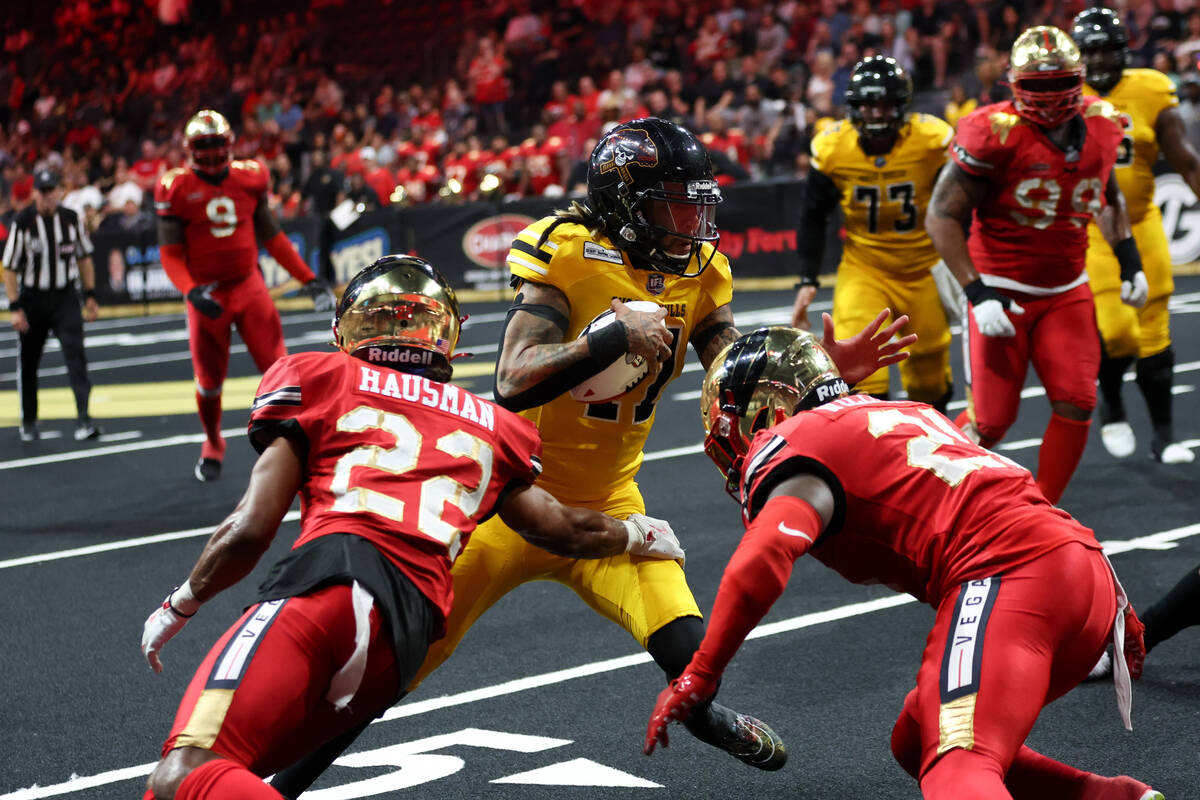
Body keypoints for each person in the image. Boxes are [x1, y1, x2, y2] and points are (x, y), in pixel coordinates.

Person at [268, 117, 914, 796]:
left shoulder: (703, 274)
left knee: (697, 664)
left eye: (696, 205)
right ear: (624, 204)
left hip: (611, 505)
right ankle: (278, 784)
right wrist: (607, 334)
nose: (690, 224)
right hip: (508, 507)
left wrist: (815, 375)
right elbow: (512, 381)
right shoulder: (569, 253)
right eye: (673, 205)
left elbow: (738, 379)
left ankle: (704, 718)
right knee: (386, 673)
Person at [138, 255, 685, 800]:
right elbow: (561, 528)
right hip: (405, 640)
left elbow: (249, 529)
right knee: (230, 776)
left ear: (349, 326)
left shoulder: (318, 376)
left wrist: (179, 603)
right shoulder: (492, 424)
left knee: (184, 774)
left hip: (331, 584)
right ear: (445, 334)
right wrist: (639, 535)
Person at [643, 326, 1161, 800]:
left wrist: (701, 675)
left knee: (958, 767)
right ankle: (1107, 797)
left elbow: (764, 557)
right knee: (916, 738)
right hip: (1085, 573)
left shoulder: (795, 444)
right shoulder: (910, 412)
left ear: (764, 414)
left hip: (1009, 575)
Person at [924, 26, 1147, 505]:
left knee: (1078, 398)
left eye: (1058, 83)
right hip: (1001, 289)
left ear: (1080, 79)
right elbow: (941, 214)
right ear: (1014, 84)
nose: (1047, 96)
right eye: (1037, 85)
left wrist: (1130, 262)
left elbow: (1106, 191)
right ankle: (930, 487)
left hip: (1067, 287)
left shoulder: (1105, 123)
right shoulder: (992, 132)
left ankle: (1043, 509)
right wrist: (977, 292)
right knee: (992, 420)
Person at [155, 109, 337, 483]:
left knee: (280, 370)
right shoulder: (174, 187)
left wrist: (307, 277)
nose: (209, 151)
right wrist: (190, 291)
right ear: (190, 148)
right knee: (208, 381)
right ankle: (211, 442)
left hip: (248, 285)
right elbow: (170, 253)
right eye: (202, 144)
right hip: (208, 293)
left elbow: (271, 235)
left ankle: (298, 440)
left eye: (215, 143)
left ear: (229, 145)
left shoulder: (250, 176)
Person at [791, 55, 956, 413]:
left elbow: (961, 204)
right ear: (853, 107)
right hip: (865, 267)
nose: (876, 114)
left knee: (929, 376)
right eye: (867, 105)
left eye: (884, 104)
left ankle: (933, 451)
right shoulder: (834, 146)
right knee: (860, 371)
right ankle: (872, 457)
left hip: (924, 267)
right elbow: (813, 215)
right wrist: (807, 277)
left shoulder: (932, 140)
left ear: (902, 106)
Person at [1072, 7, 1199, 464]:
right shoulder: (1062, 96)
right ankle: (1113, 407)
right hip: (1090, 227)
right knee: (1117, 330)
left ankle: (1164, 436)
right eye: (1091, 53)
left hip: (1143, 220)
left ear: (1124, 52)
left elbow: (1185, 159)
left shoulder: (1148, 89)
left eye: (1107, 51)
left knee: (1155, 335)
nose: (1101, 62)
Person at [2, 167, 102, 442]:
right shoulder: (24, 222)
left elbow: (84, 258)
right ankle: (29, 420)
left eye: (51, 192)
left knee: (75, 355)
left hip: (65, 297)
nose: (47, 198)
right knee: (29, 360)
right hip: (33, 297)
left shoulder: (71, 220)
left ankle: (84, 418)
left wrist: (90, 295)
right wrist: (15, 307)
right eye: (43, 192)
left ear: (59, 191)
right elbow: (9, 267)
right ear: (36, 193)